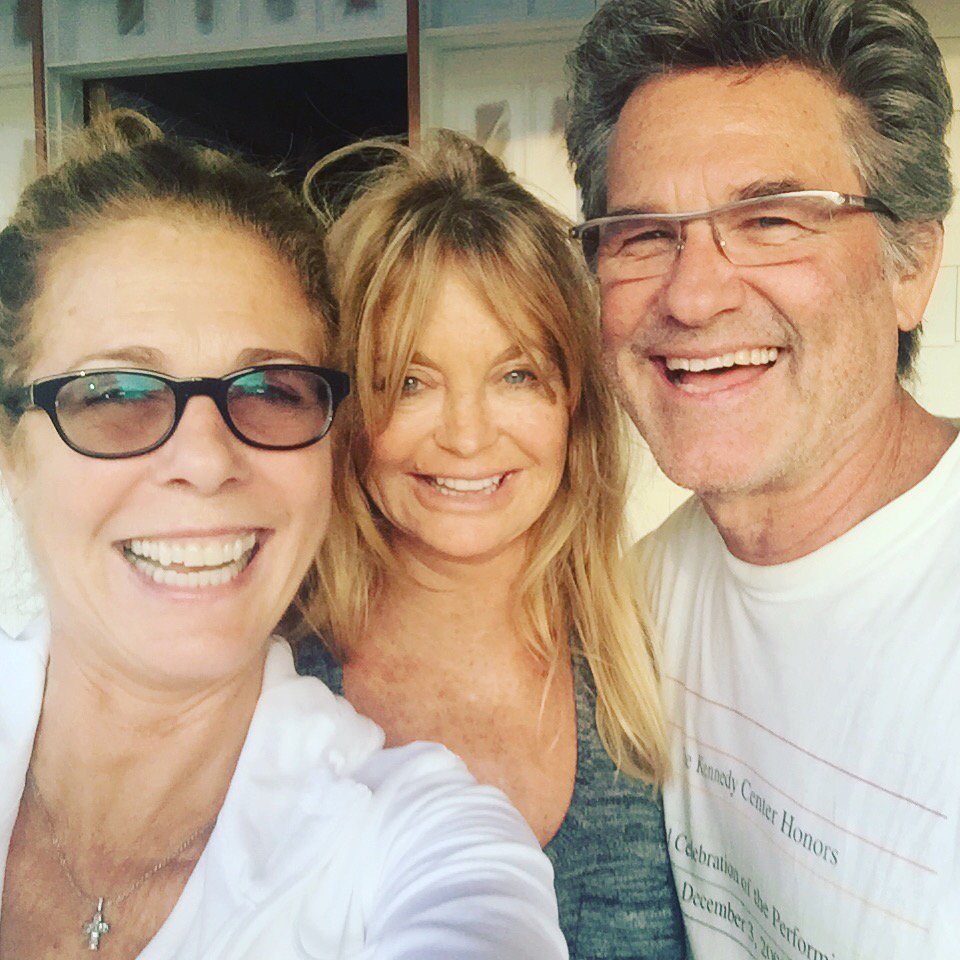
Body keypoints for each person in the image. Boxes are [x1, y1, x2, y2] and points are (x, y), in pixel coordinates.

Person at [0, 111, 567, 960]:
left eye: (269, 389)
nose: (205, 460)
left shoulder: (419, 836)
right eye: (116, 394)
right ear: (12, 450)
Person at [565, 0, 960, 956]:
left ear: (912, 265)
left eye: (772, 220)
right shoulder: (635, 607)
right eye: (644, 234)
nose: (694, 296)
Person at [295, 131, 687, 958]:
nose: (468, 437)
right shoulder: (266, 685)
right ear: (348, 410)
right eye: (410, 380)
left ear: (574, 403)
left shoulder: (659, 660)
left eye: (516, 375)